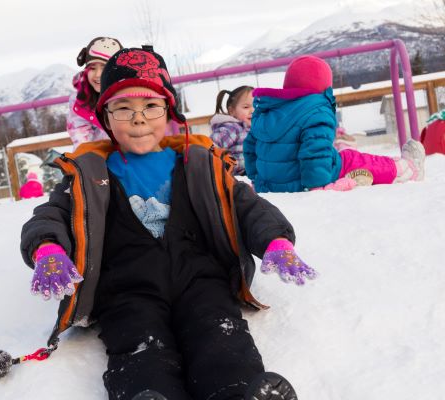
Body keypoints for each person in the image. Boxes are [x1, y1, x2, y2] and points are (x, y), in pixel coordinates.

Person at [21, 46, 314, 400]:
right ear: (106, 118)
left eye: (150, 106)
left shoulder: (197, 163)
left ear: (168, 111)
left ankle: (237, 392)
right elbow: (52, 215)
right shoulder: (88, 174)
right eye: (123, 108)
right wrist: (48, 248)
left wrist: (275, 241)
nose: (138, 118)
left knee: (220, 334)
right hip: (128, 289)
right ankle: (147, 393)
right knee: (140, 346)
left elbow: (245, 205)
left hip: (199, 278)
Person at [244, 55, 426, 193]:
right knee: (351, 159)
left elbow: (250, 147)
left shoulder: (266, 111)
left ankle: (393, 164)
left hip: (269, 184)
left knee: (342, 154)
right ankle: (406, 168)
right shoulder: (316, 110)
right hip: (304, 181)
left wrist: (257, 179)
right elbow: (314, 151)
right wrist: (317, 186)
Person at [67, 36, 123, 149]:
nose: (98, 74)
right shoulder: (82, 100)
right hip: (103, 157)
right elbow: (81, 139)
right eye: (92, 68)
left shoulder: (130, 93)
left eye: (104, 67)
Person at [210, 86, 254, 175]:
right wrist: (228, 165)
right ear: (232, 111)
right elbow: (211, 146)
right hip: (239, 176)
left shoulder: (259, 130)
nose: (253, 110)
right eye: (246, 107)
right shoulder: (232, 129)